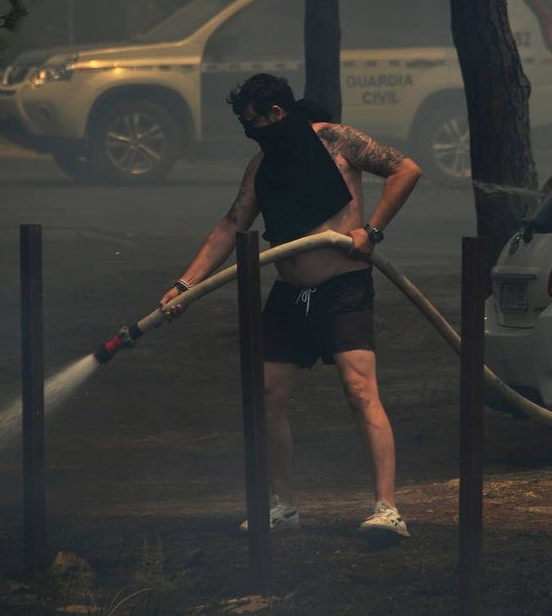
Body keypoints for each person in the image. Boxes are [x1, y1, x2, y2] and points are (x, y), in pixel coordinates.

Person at [158, 73, 423, 539]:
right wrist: (185, 284)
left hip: (344, 287)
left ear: (276, 113)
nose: (249, 131)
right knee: (266, 397)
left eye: (252, 122)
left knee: (359, 391)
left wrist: (372, 230)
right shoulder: (263, 166)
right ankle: (284, 505)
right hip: (290, 294)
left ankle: (387, 509)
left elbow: (406, 170)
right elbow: (229, 227)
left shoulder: (338, 142)